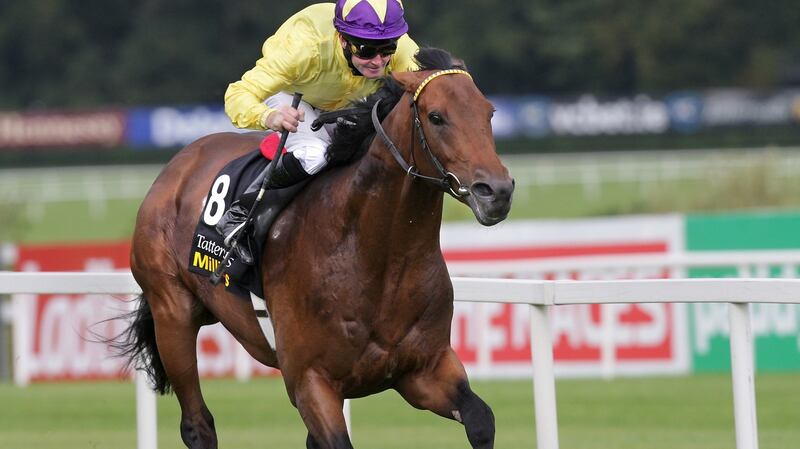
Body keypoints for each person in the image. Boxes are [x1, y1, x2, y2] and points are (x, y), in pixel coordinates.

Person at [218, 0, 420, 264]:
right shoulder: (304, 47)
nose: (378, 61)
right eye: (367, 50)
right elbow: (237, 94)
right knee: (315, 155)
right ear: (343, 40)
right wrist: (269, 116)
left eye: (386, 50)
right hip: (292, 97)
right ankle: (242, 213)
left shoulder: (401, 46)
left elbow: (436, 88)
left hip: (349, 104)